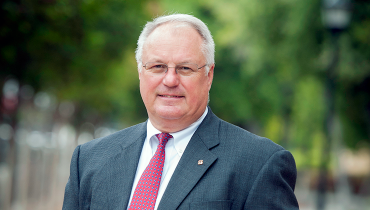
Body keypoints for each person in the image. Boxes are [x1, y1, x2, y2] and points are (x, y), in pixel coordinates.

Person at [63, 14, 299, 210]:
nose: (170, 79)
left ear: (209, 75)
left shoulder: (259, 164)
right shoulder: (89, 160)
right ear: (140, 72)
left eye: (185, 68)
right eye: (158, 67)